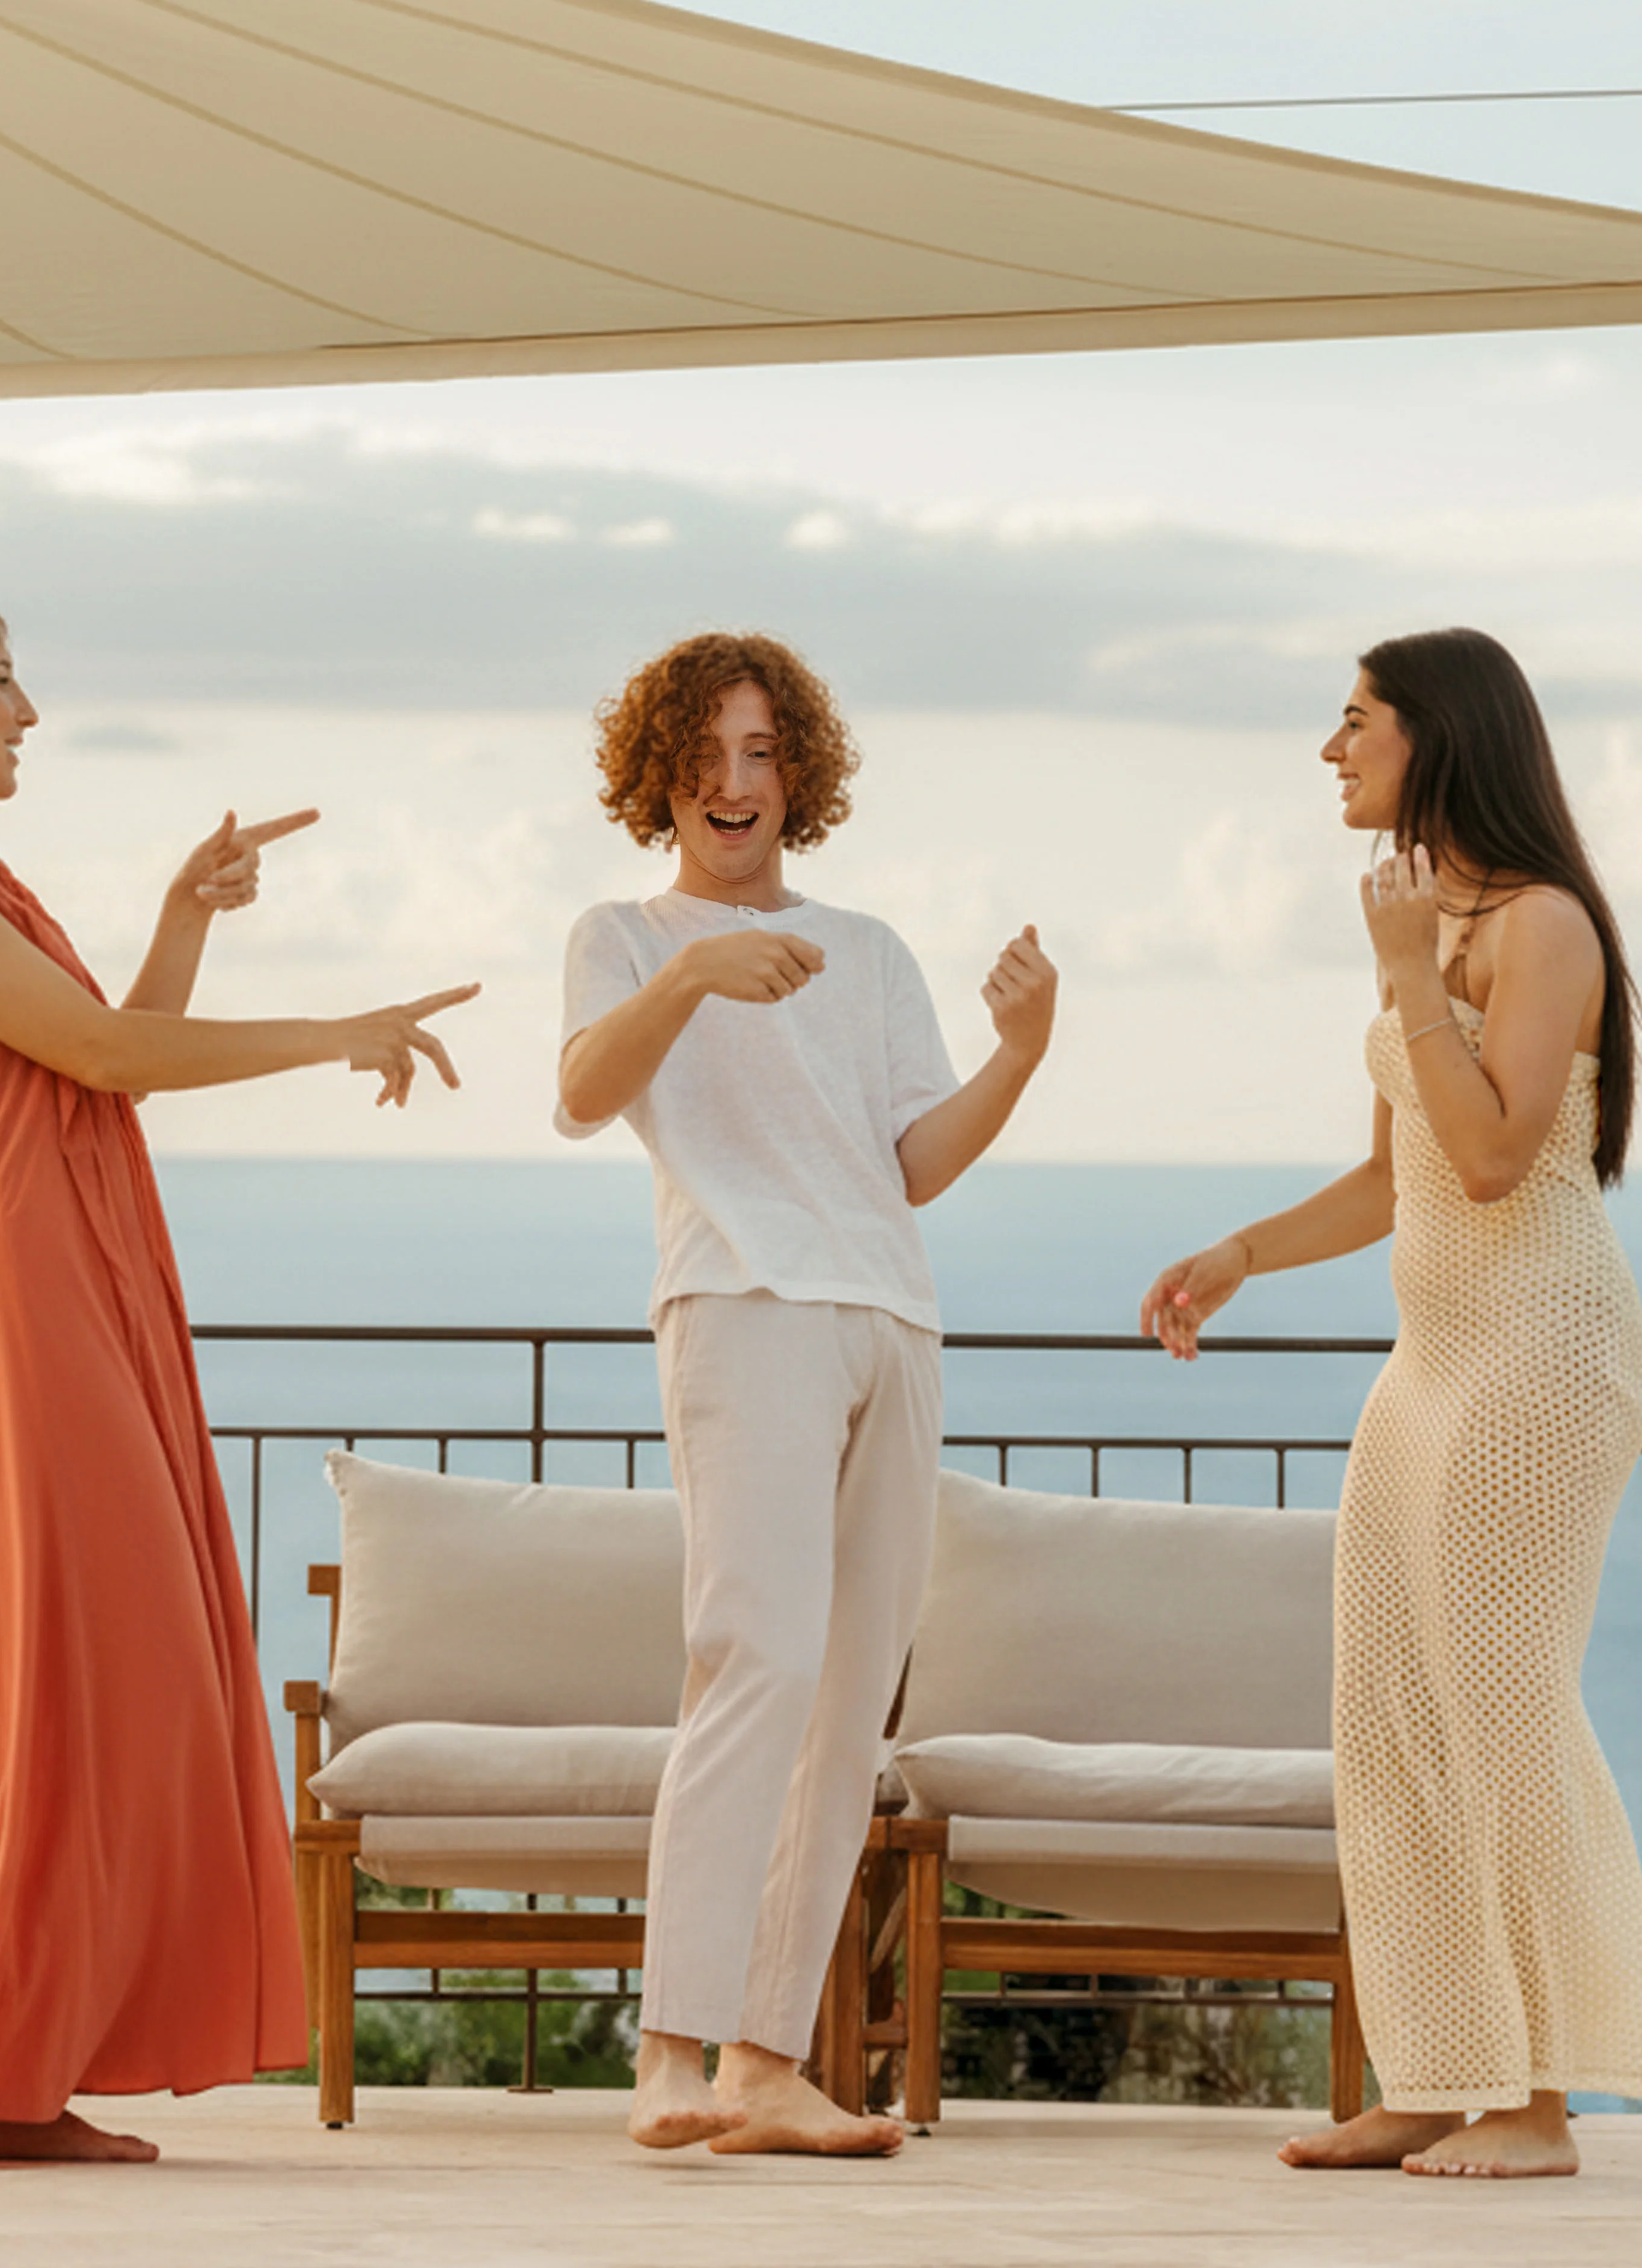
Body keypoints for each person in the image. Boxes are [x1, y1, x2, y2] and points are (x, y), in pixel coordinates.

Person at [0, 585, 477, 2171]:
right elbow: (99, 1059)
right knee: (38, 1681)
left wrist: (184, 918)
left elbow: (97, 1061)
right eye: (3, 681)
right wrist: (335, 1028)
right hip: (15, 1291)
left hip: (82, 1270)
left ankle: (9, 2080)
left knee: (113, 1675)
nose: (28, 712)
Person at [1140, 628, 1642, 2180]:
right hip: (1432, 1362)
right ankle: (1440, 2068)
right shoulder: (1424, 926)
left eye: (1356, 720)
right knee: (1388, 1712)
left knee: (1502, 1703)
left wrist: (1406, 981)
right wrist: (1240, 1253)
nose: (1332, 749)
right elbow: (1398, 1174)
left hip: (1541, 1351)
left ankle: (1542, 2099)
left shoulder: (1543, 924)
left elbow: (1496, 1155)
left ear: (1438, 736)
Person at [556, 631, 1056, 2157]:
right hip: (743, 1309)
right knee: (755, 1662)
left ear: (799, 774)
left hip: (891, 1319)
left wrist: (1021, 1055)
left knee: (849, 1706)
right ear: (659, 777)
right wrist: (696, 972)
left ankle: (767, 2064)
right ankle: (670, 2053)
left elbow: (913, 1163)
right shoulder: (623, 939)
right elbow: (581, 1093)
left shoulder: (872, 951)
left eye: (763, 752)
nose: (735, 782)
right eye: (706, 754)